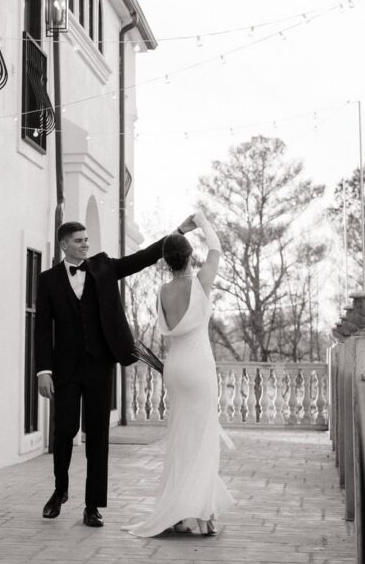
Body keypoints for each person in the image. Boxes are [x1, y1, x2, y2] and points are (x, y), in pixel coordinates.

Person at [34, 216, 197, 529]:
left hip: (99, 364)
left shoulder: (104, 267)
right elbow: (42, 329)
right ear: (64, 244)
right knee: (64, 430)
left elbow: (143, 257)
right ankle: (60, 490)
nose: (85, 244)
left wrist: (177, 233)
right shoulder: (48, 280)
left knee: (97, 436)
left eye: (86, 239)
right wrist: (43, 370)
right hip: (65, 368)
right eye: (79, 240)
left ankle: (92, 506)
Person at [125, 209, 234, 537]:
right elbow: (216, 247)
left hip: (175, 368)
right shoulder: (201, 283)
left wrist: (179, 230)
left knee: (180, 440)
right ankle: (200, 516)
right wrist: (200, 219)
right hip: (198, 366)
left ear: (167, 261)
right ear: (190, 257)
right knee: (202, 440)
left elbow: (170, 248)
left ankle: (180, 512)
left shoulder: (163, 292)